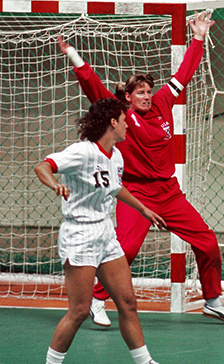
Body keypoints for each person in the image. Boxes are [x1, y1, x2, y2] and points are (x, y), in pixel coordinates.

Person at [57, 10, 224, 325]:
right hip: (137, 191)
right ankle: (98, 301)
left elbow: (183, 74)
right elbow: (94, 88)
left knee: (207, 242)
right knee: (125, 248)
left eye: (147, 91)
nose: (145, 96)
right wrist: (74, 56)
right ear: (127, 98)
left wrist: (198, 36)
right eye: (139, 92)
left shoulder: (163, 102)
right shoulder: (121, 114)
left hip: (168, 192)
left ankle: (212, 299)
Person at [35, 98, 166, 364]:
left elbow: (114, 187)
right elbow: (43, 166)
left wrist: (143, 209)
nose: (129, 124)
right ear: (112, 122)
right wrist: (54, 185)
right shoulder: (82, 152)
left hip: (105, 233)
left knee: (128, 303)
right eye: (124, 120)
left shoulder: (116, 155)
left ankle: (145, 361)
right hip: (80, 234)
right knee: (80, 310)